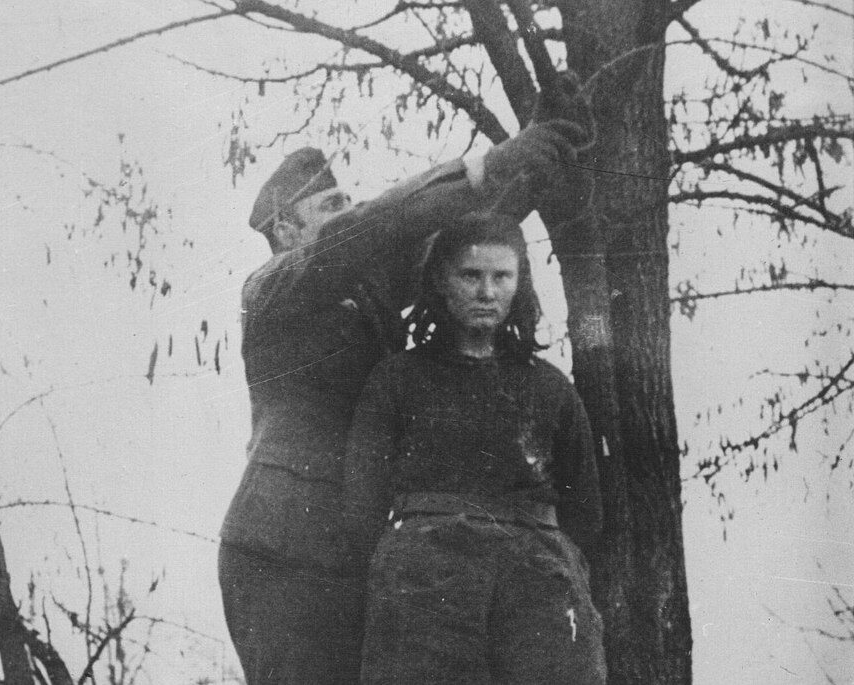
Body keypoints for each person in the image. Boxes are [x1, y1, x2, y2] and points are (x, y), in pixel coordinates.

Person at [218, 97, 593, 683]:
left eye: (347, 201)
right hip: (283, 552)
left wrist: (534, 163)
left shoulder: (361, 292)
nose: (349, 210)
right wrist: (486, 167)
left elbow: (448, 247)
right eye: (331, 205)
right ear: (285, 229)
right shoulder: (270, 288)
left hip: (354, 551)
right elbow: (374, 228)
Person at [343, 213, 606, 684]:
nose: (487, 292)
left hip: (536, 596)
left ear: (519, 285)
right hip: (427, 591)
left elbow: (585, 512)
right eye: (470, 275)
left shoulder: (551, 389)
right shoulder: (397, 380)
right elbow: (362, 507)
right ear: (441, 282)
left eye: (501, 276)